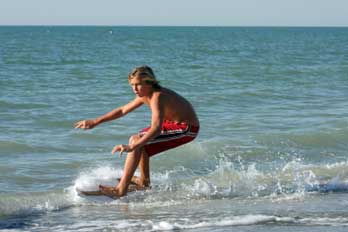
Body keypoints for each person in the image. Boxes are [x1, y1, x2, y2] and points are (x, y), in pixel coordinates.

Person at [74, 65, 200, 198]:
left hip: (187, 128)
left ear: (149, 82)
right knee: (140, 141)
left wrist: (133, 146)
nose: (134, 89)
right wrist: (95, 121)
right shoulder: (144, 94)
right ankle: (144, 183)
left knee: (136, 140)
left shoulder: (157, 97)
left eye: (138, 84)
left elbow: (156, 129)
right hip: (172, 124)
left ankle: (120, 190)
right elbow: (123, 110)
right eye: (132, 85)